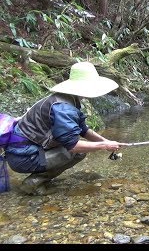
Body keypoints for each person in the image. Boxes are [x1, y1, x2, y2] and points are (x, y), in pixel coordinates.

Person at [4, 61, 127, 195]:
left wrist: (107, 141)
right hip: (23, 158)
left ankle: (41, 178)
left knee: (79, 149)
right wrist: (104, 146)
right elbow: (73, 146)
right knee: (78, 152)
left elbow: (83, 130)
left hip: (23, 152)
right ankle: (34, 183)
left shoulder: (65, 99)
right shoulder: (64, 109)